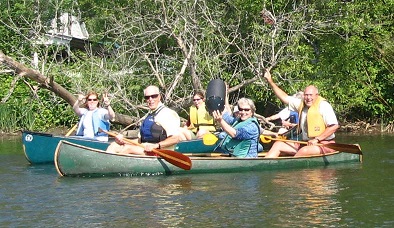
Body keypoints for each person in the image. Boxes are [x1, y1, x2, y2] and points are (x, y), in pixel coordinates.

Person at [263, 69, 339, 157]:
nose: (308, 98)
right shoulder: (301, 104)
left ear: (316, 95)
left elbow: (334, 126)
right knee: (278, 144)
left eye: (311, 95)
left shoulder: (324, 106)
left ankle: (291, 168)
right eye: (306, 95)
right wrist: (270, 81)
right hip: (305, 143)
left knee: (304, 150)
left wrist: (317, 139)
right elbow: (284, 97)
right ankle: (264, 165)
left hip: (324, 144)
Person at [106, 85, 180, 155]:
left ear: (159, 97)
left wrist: (157, 146)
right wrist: (123, 141)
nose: (150, 99)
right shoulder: (149, 115)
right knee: (114, 145)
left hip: (161, 151)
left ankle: (113, 166)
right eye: (147, 97)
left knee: (128, 149)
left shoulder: (168, 114)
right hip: (144, 147)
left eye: (154, 96)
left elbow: (175, 139)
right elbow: (139, 141)